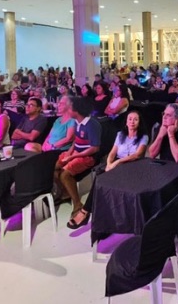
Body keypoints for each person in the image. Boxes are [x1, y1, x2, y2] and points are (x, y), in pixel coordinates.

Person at [67, 110, 149, 229]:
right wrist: (109, 164)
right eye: (130, 119)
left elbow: (137, 155)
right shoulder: (120, 134)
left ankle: (85, 212)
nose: (132, 122)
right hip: (117, 164)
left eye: (135, 119)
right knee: (100, 177)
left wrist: (117, 162)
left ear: (139, 122)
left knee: (103, 179)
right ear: (126, 122)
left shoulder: (143, 137)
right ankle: (89, 212)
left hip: (133, 166)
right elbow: (112, 152)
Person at [55, 97, 101, 229]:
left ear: (77, 110)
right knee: (54, 167)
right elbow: (76, 140)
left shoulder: (92, 124)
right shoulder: (76, 121)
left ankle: (77, 204)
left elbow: (95, 148)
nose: (67, 110)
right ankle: (65, 193)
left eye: (69, 108)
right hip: (76, 152)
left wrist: (75, 156)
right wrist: (70, 153)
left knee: (65, 174)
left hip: (88, 157)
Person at [148, 103, 178, 170]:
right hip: (165, 167)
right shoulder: (162, 127)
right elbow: (152, 154)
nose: (164, 117)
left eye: (168, 115)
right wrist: (160, 135)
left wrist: (171, 135)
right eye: (164, 114)